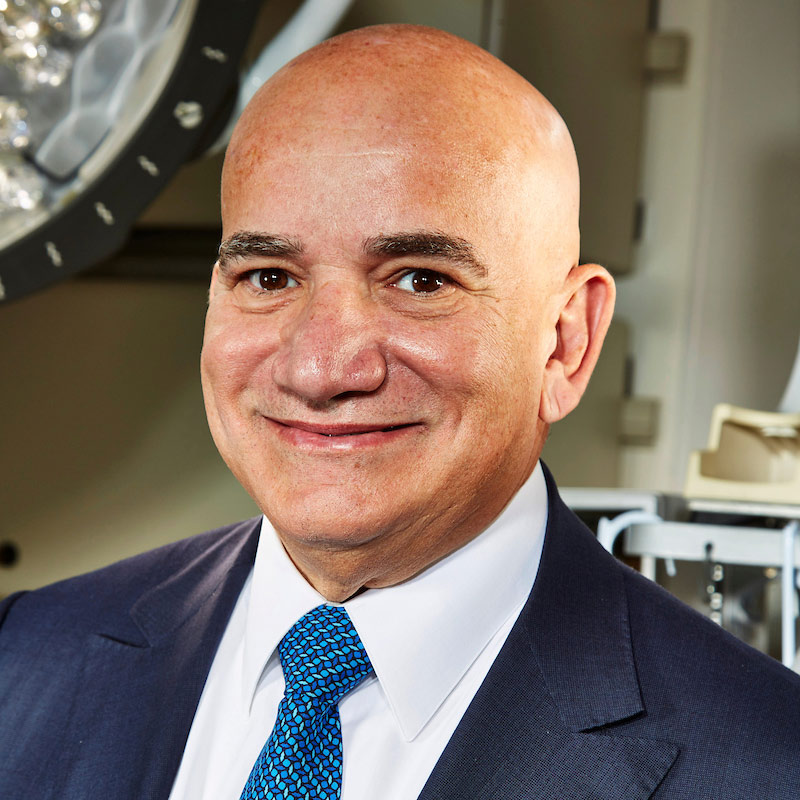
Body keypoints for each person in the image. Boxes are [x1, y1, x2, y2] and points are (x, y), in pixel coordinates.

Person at [1, 24, 799, 800]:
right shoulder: (24, 661)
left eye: (419, 280)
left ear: (565, 342)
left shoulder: (767, 766)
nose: (320, 369)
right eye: (270, 277)